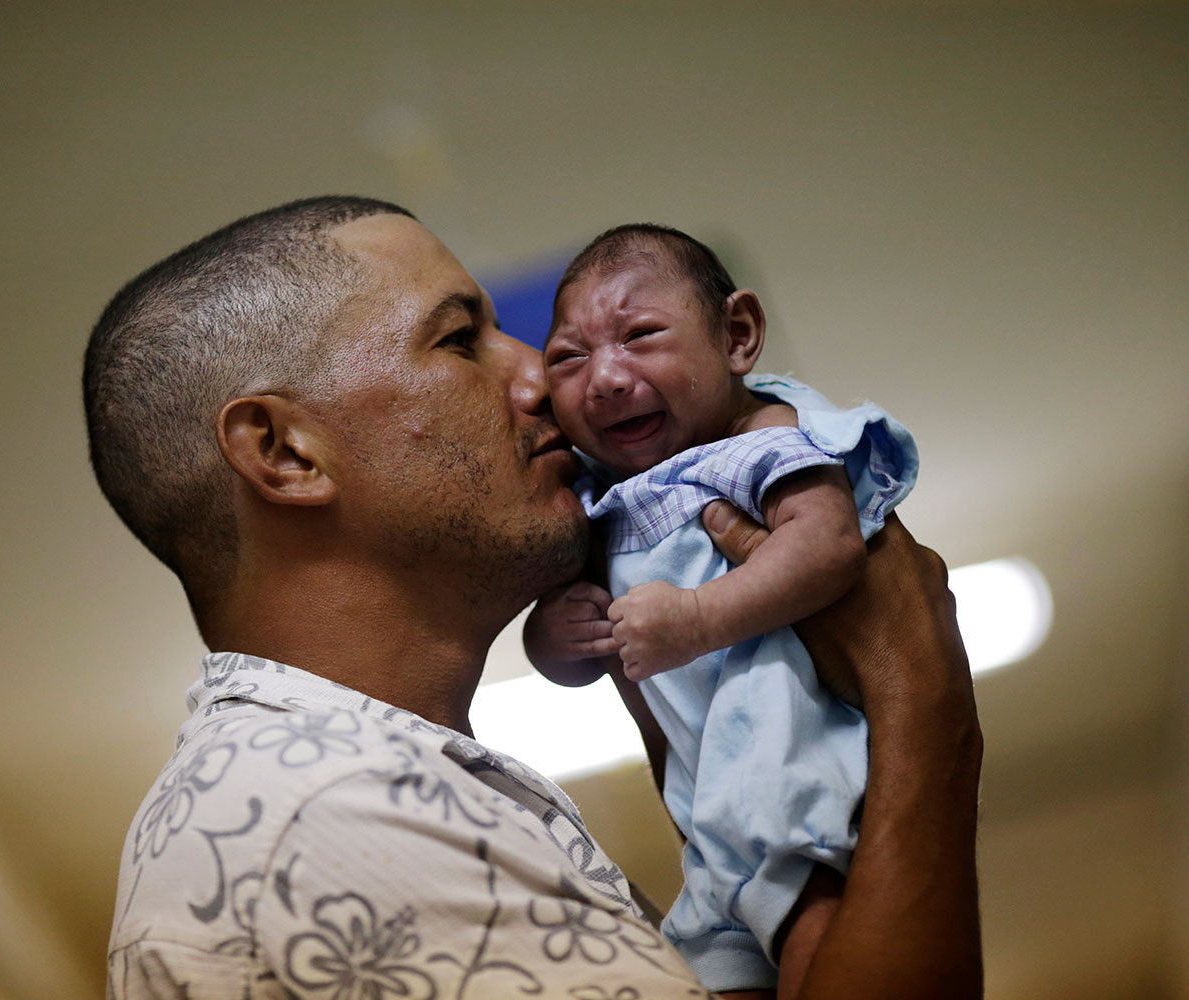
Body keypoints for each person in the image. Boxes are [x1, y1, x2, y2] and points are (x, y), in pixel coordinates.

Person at [83, 196, 983, 1000]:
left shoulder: (352, 789)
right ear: (285, 451)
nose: (540, 380)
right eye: (460, 338)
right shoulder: (325, 814)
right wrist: (922, 704)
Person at [525, 224, 919, 994]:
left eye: (640, 336)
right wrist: (556, 635)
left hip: (792, 771)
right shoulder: (592, 498)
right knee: (712, 970)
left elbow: (828, 546)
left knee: (818, 940)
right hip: (710, 822)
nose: (604, 377)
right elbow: (569, 666)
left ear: (737, 336)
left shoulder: (759, 440)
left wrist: (701, 620)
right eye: (568, 358)